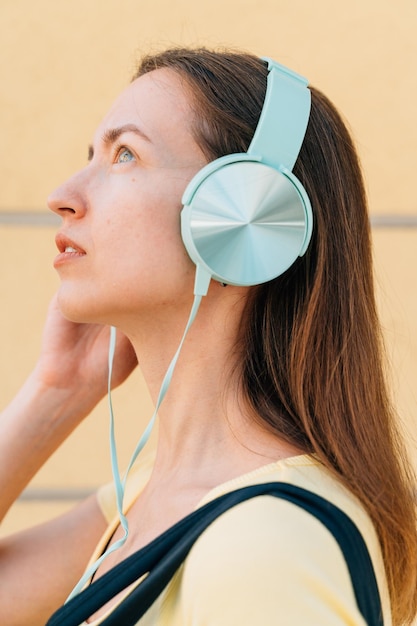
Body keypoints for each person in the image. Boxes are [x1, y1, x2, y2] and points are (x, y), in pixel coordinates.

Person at [0, 46, 416, 626]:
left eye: (124, 155)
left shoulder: (266, 545)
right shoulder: (156, 499)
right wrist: (57, 389)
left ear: (243, 215)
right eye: (90, 154)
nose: (63, 195)